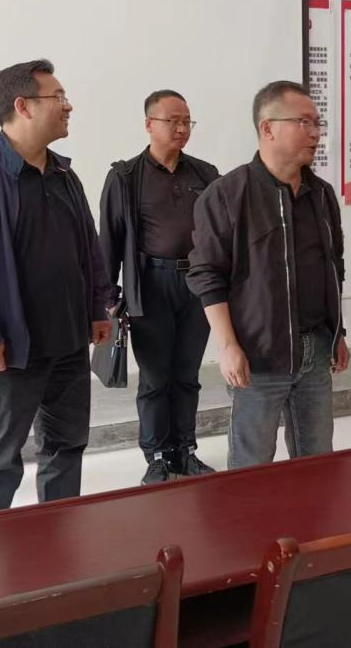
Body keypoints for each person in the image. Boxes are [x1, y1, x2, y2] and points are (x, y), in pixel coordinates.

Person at [0, 60, 112, 514]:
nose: (68, 106)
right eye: (59, 97)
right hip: (8, 351)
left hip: (67, 343)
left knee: (66, 446)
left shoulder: (64, 175)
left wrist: (98, 307)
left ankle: (57, 539)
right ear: (23, 106)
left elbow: (88, 247)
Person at [187, 80, 349, 469]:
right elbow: (208, 275)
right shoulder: (226, 195)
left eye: (317, 123)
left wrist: (338, 333)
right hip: (257, 355)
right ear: (268, 128)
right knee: (252, 466)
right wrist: (228, 346)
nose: (315, 133)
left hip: (315, 352)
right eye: (303, 122)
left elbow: (333, 265)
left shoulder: (321, 194)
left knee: (317, 462)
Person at [99, 90, 219, 485]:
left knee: (187, 374)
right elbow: (109, 241)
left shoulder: (205, 174)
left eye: (187, 121)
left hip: (197, 285)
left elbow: (222, 234)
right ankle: (156, 456)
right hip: (150, 285)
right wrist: (108, 297)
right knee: (154, 378)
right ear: (149, 124)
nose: (182, 128)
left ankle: (184, 451)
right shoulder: (126, 177)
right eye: (173, 120)